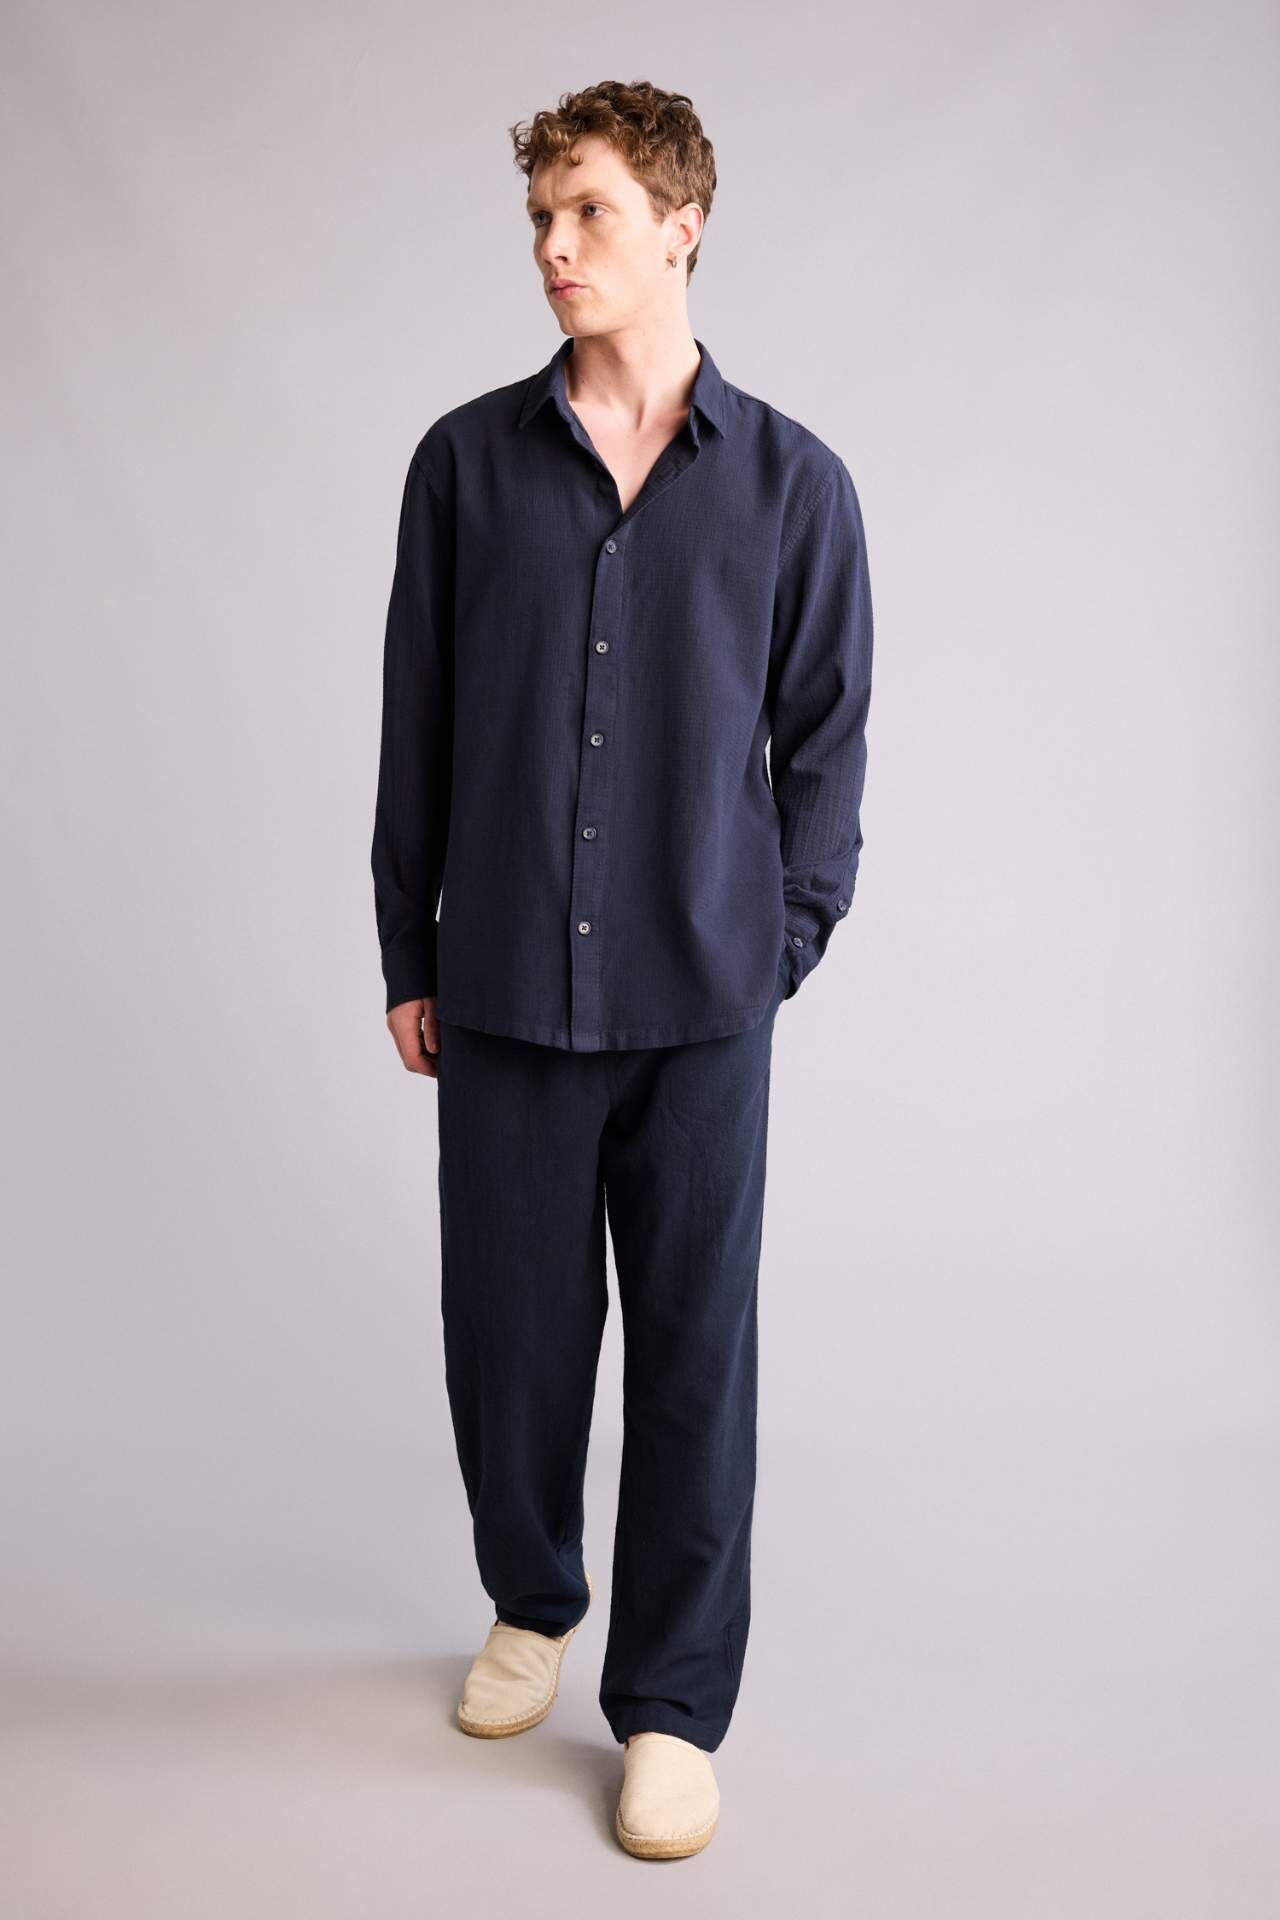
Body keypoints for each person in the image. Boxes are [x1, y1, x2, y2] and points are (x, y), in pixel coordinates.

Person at [371, 77, 874, 1860]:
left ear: (682, 223)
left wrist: (778, 939)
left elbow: (826, 749)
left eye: (587, 211)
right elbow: (417, 726)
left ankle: (669, 1706)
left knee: (693, 1358)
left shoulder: (795, 486)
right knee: (508, 1343)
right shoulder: (464, 466)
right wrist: (408, 944)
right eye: (540, 217)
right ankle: (532, 1603)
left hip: (703, 1003)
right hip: (505, 984)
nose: (554, 247)